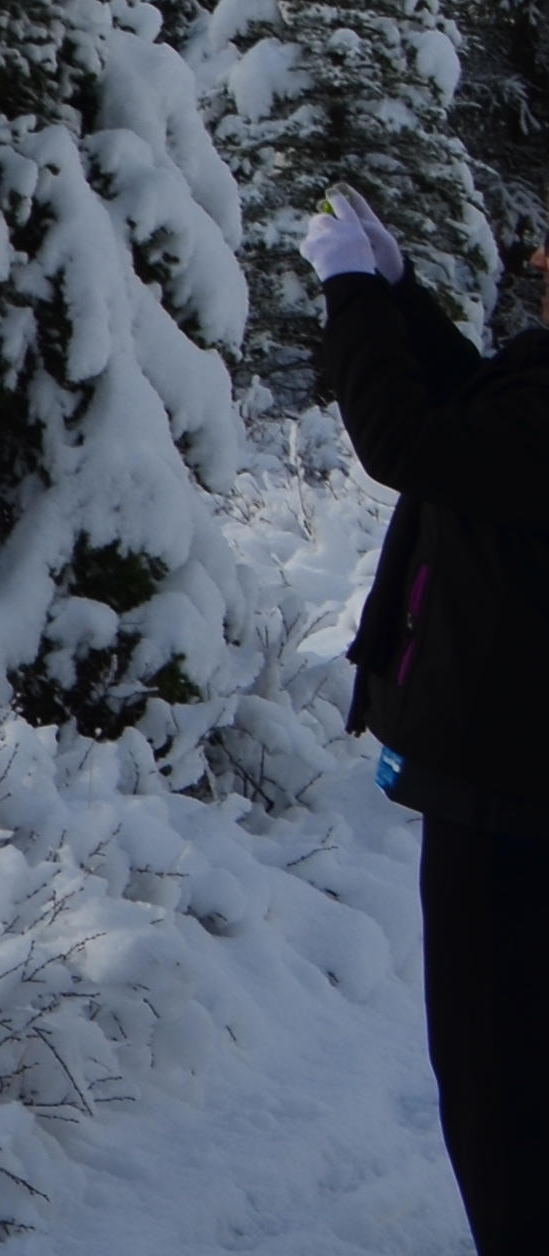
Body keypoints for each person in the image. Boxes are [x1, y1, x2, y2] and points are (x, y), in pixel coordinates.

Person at [319, 180, 549, 1255]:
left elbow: (407, 440)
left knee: (497, 1069)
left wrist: (351, 294)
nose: (540, 262)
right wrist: (400, 293)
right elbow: (472, 417)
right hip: (509, 774)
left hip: (510, 794)